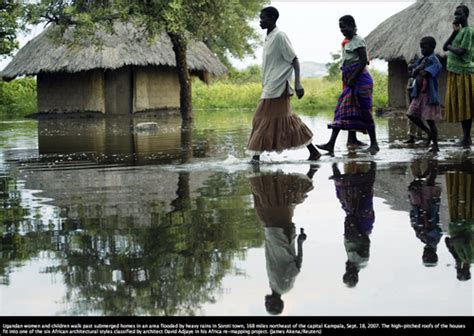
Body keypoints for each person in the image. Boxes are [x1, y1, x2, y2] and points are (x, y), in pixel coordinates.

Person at [247, 6, 321, 163]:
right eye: (260, 18)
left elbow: (294, 60)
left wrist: (298, 83)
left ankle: (255, 157)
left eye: (263, 18)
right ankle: (313, 151)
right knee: (286, 119)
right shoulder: (268, 38)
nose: (260, 21)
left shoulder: (280, 36)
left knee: (260, 117)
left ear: (272, 18)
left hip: (279, 86)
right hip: (270, 85)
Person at [249, 169, 315, 315]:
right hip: (279, 235)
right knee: (272, 200)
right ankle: (306, 174)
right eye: (268, 305)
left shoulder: (275, 286)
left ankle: (262, 171)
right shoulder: (284, 286)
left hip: (273, 234)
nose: (265, 302)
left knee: (263, 201)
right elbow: (297, 265)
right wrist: (300, 242)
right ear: (275, 303)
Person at [317, 15, 379, 155]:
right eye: (340, 27)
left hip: (360, 80)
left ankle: (374, 144)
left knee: (365, 112)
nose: (342, 30)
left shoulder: (358, 41)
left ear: (352, 25)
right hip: (350, 81)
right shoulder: (347, 42)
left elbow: (363, 61)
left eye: (344, 26)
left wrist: (353, 77)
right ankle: (331, 144)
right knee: (342, 110)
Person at [329, 161, 376, 287]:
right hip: (361, 222)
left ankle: (366, 169)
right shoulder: (361, 261)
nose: (347, 271)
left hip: (356, 222)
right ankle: (370, 167)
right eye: (349, 274)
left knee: (348, 196)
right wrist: (355, 227)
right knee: (362, 194)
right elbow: (365, 242)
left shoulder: (353, 261)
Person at [443, 5, 474, 149]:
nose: (456, 16)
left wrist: (450, 47)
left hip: (464, 73)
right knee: (462, 106)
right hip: (456, 73)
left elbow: (462, 51)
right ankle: (465, 138)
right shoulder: (459, 32)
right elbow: (444, 46)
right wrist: (454, 33)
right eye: (455, 14)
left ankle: (466, 138)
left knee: (466, 106)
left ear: (466, 15)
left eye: (459, 14)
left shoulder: (468, 31)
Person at [406, 37, 443, 153]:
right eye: (421, 47)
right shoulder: (422, 60)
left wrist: (418, 69)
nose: (422, 49)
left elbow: (424, 72)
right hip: (418, 94)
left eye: (425, 47)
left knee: (430, 120)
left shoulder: (434, 60)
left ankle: (435, 144)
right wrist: (416, 69)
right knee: (411, 114)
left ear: (432, 47)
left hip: (428, 95)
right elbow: (414, 71)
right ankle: (428, 133)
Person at [407, 159, 442, 266]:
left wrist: (413, 212)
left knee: (418, 184)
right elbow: (437, 229)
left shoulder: (424, 239)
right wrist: (425, 231)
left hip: (420, 207)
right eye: (426, 255)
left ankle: (426, 163)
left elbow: (414, 222)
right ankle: (432, 164)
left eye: (424, 256)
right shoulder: (433, 240)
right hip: (428, 208)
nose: (424, 253)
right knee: (427, 184)